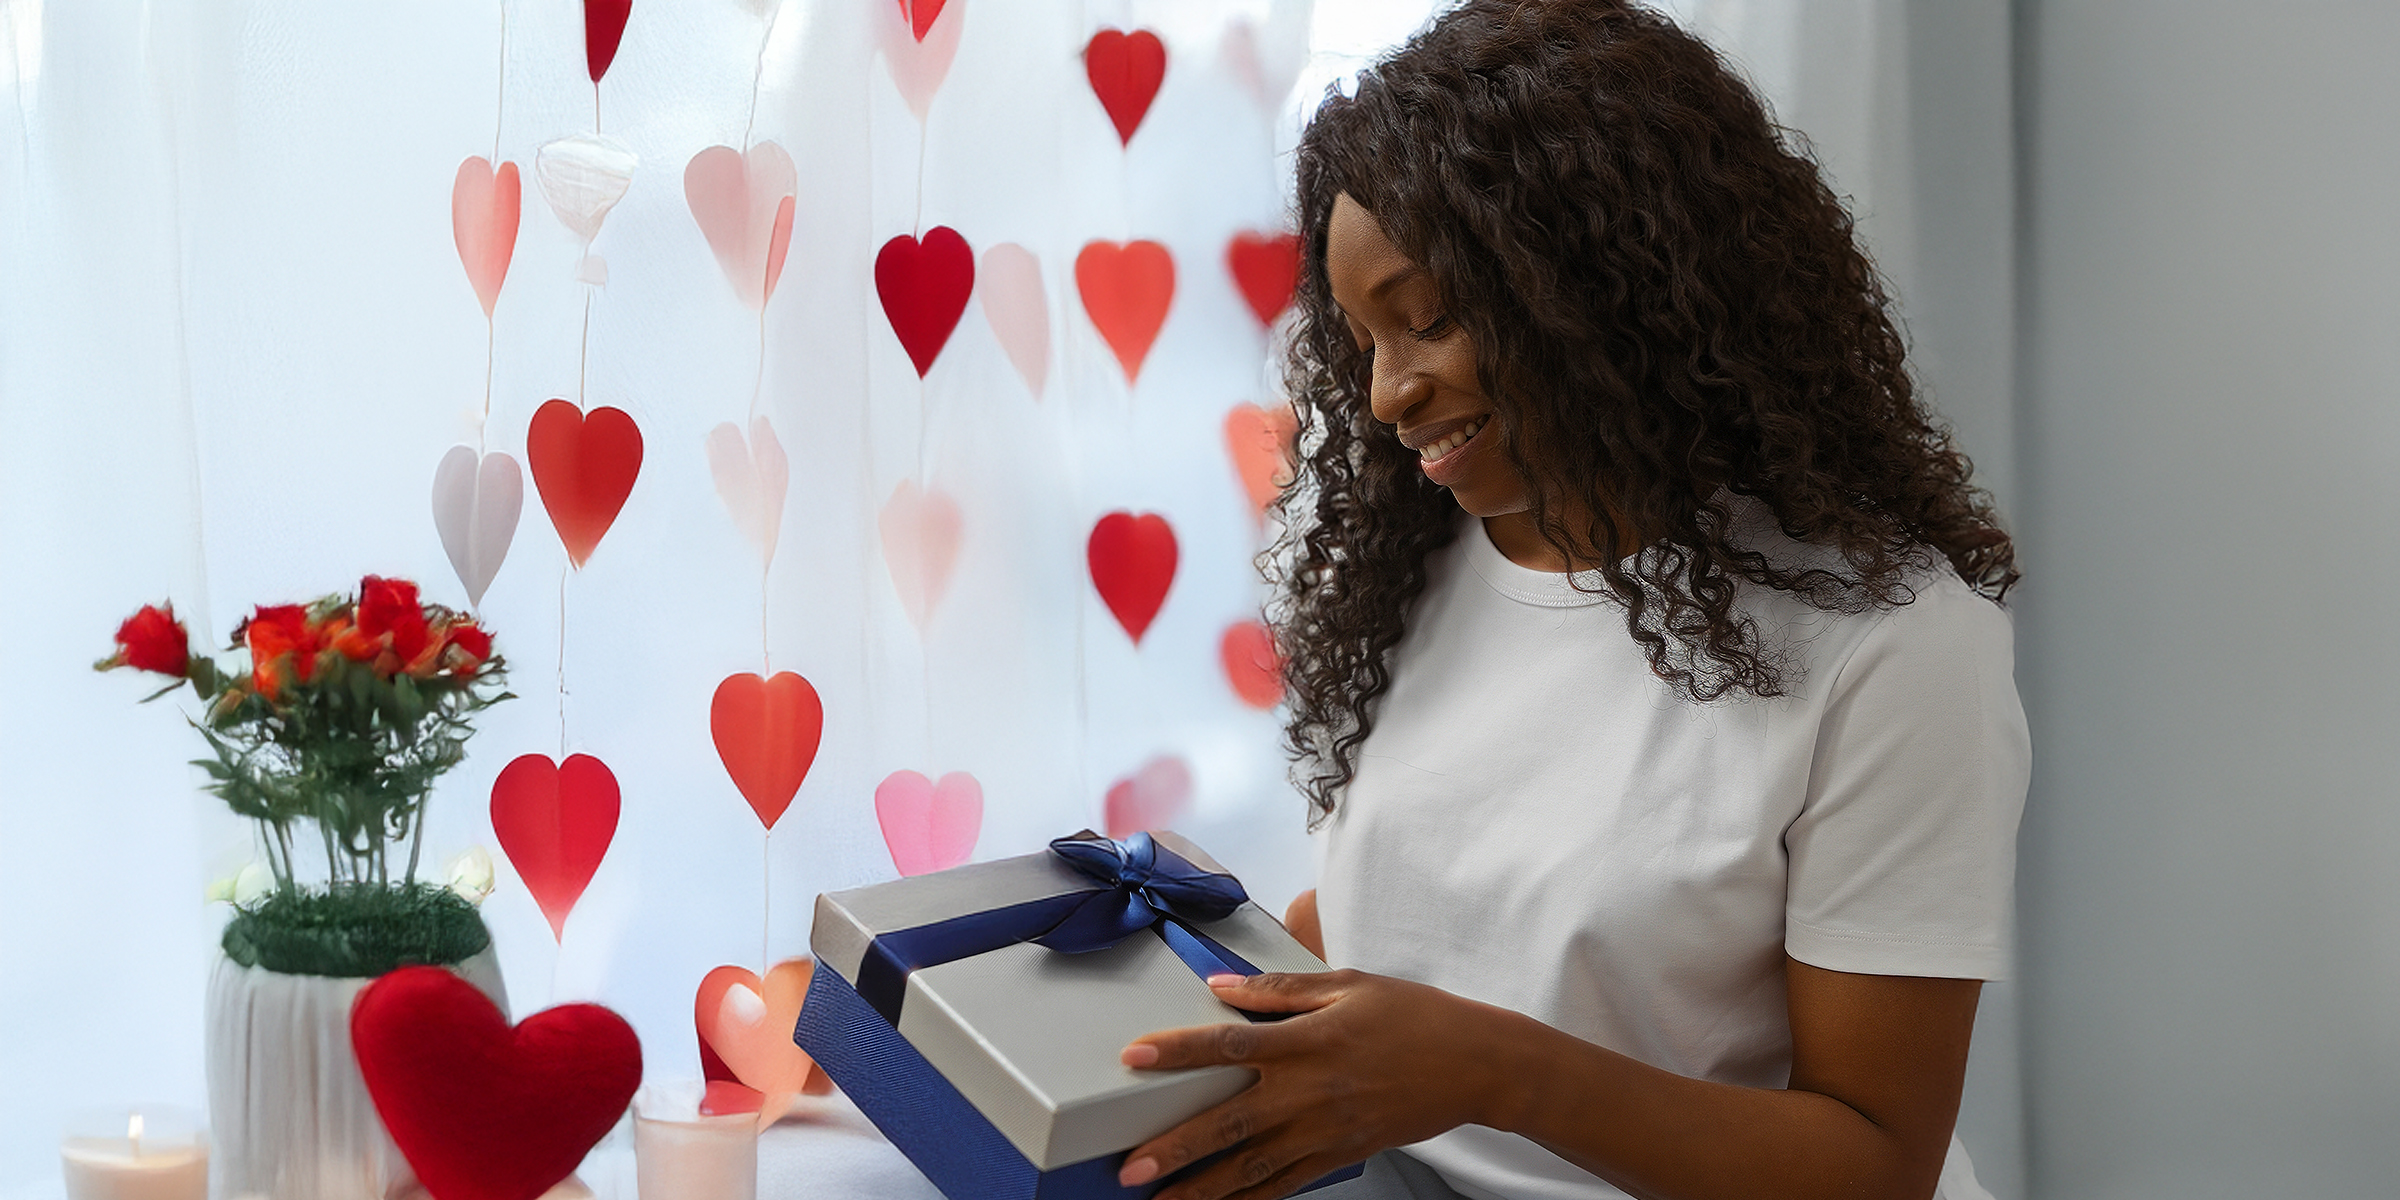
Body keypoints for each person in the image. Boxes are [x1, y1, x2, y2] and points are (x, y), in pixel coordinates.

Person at [1116, 3, 2030, 1199]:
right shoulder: (1423, 566)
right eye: (1359, 337)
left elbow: (1873, 1160)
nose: (1388, 394)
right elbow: (1408, 916)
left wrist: (1498, 1074)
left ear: (1610, 282)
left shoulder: (1890, 644)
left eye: (1428, 317)